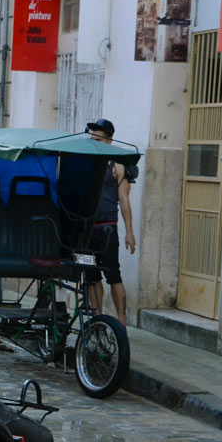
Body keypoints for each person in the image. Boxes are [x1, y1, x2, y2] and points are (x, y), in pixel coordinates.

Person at [84, 118, 136, 326]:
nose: (93, 140)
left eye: (97, 138)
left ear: (108, 141)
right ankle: (97, 320)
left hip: (107, 228)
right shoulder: (84, 164)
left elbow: (124, 200)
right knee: (91, 277)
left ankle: (121, 321)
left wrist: (129, 232)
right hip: (86, 231)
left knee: (113, 274)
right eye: (91, 137)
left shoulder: (118, 167)